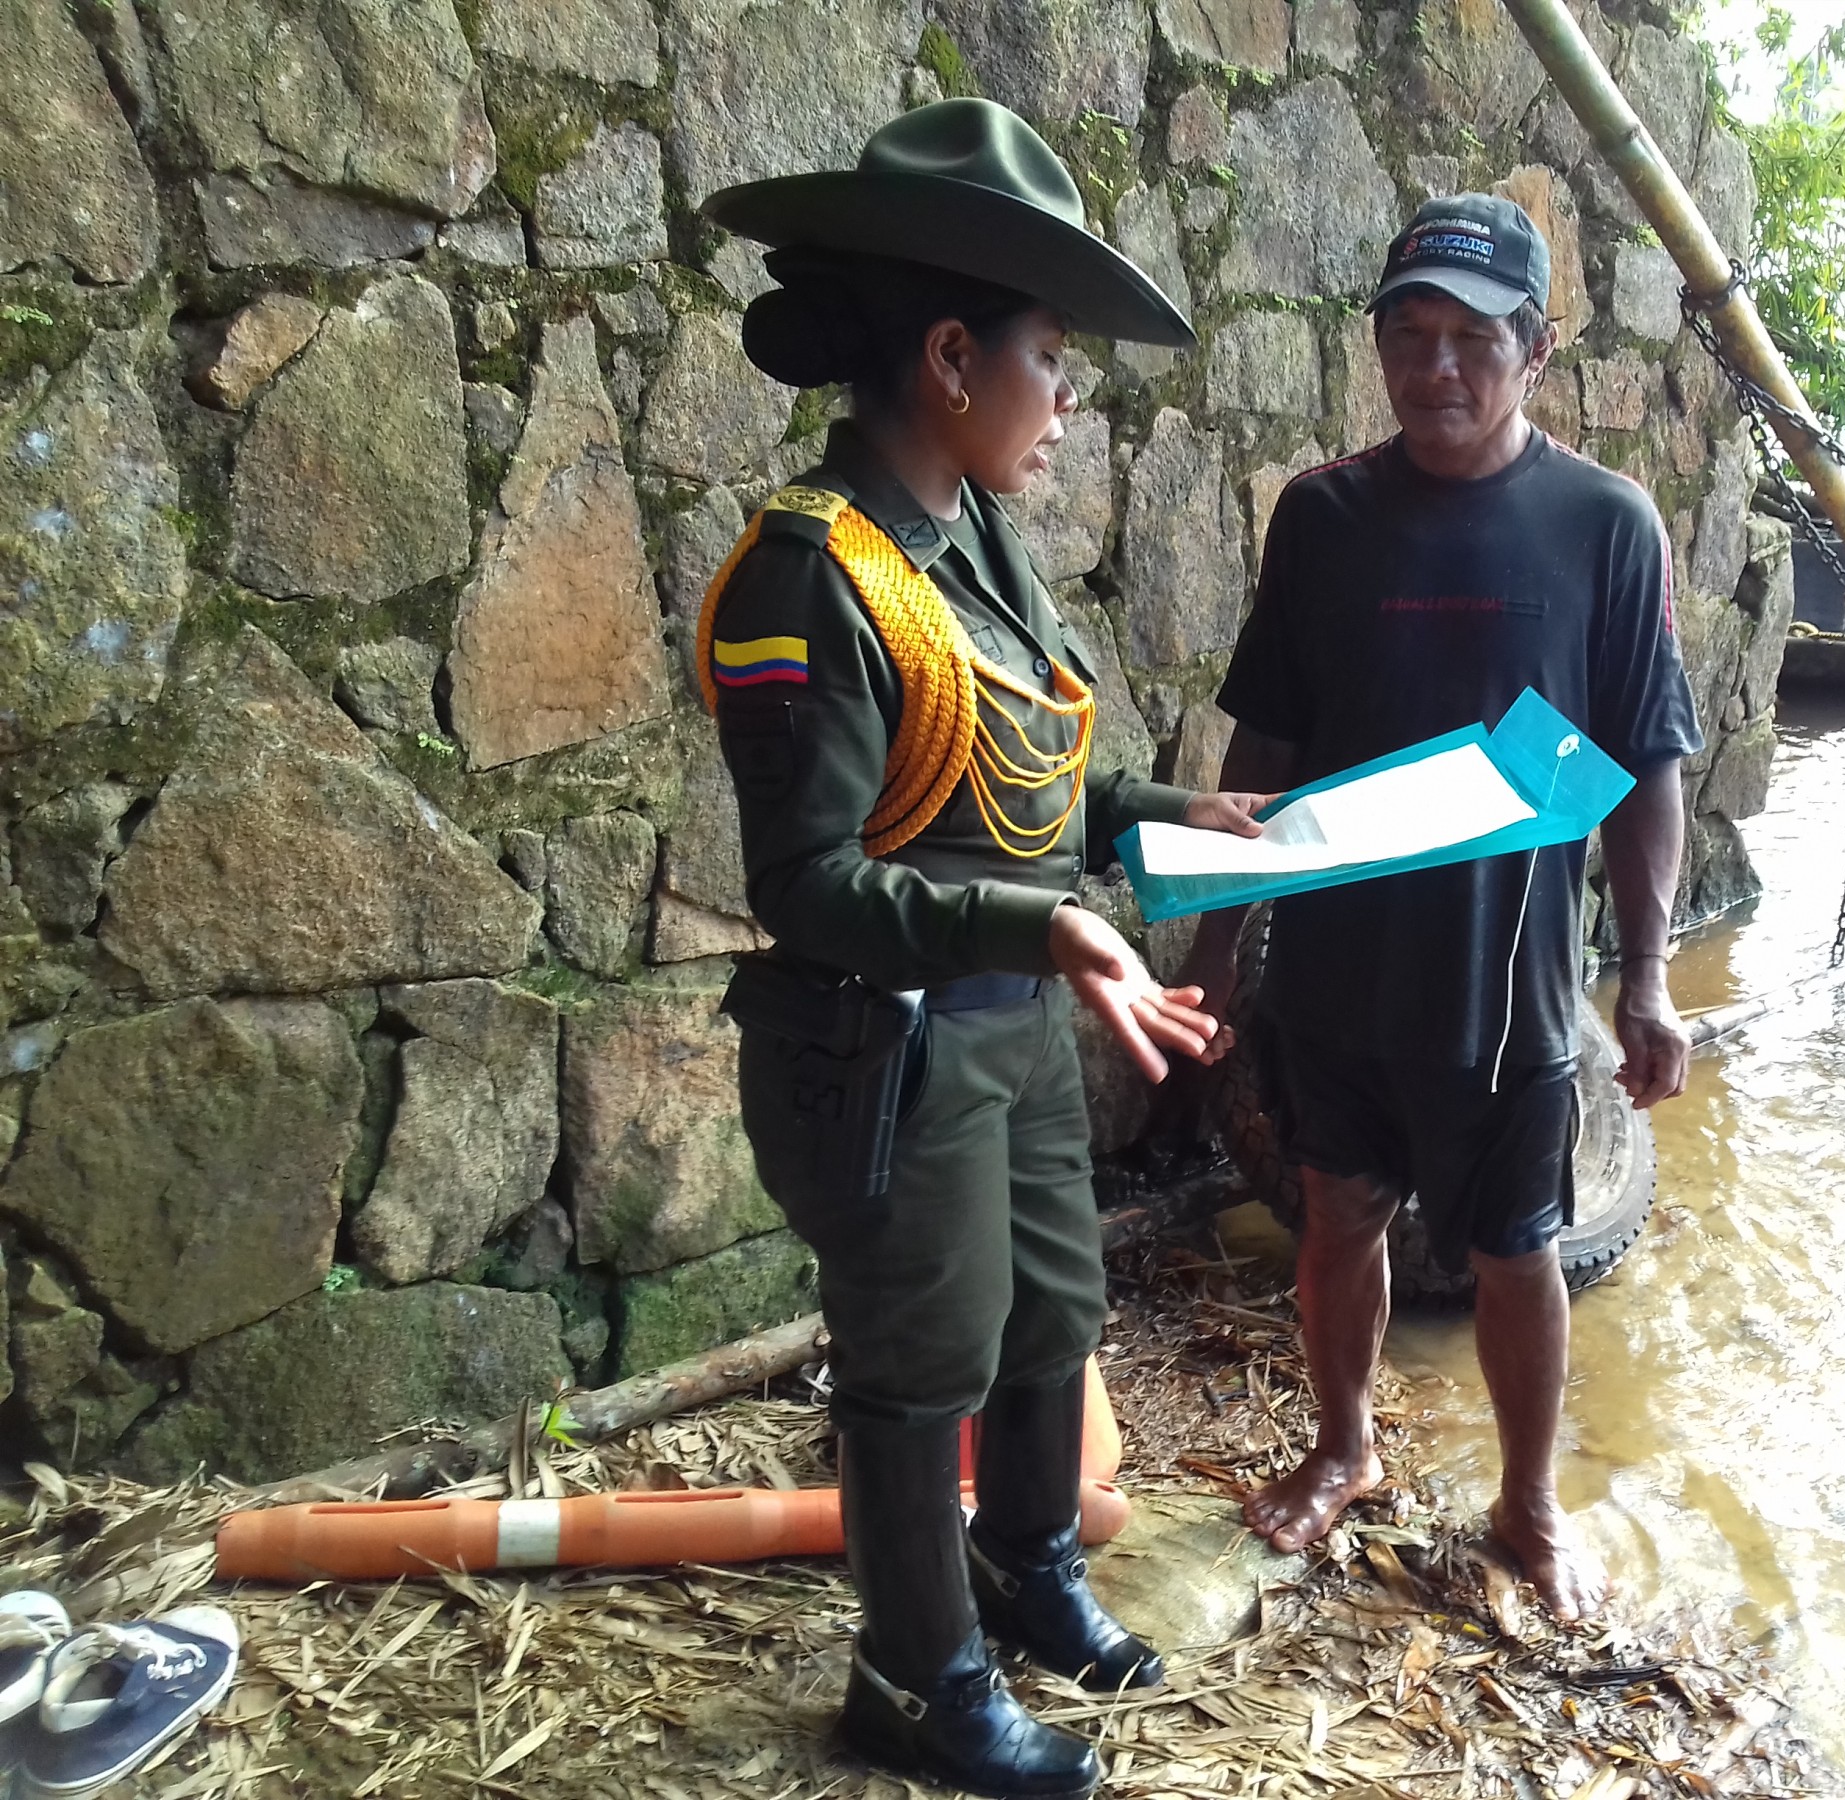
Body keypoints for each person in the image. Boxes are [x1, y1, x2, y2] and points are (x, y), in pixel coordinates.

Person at [698, 100, 1273, 1799]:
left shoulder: (980, 548)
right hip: (894, 1045)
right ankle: (915, 1674)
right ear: (951, 356)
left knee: (1051, 1316)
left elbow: (1027, 782)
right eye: (1051, 358)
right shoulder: (808, 577)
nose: (1068, 398)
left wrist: (1166, 811)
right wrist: (1050, 919)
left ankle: (1028, 1572)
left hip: (1016, 1017)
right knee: (920, 1359)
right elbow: (805, 881)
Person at [1181, 194, 1704, 1622]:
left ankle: (1529, 1509)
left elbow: (1650, 758)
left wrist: (1646, 979)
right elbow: (1266, 749)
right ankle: (1342, 1445)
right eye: (1408, 337)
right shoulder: (1325, 515)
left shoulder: (1606, 525)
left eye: (1473, 339)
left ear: (1535, 349)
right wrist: (1218, 945)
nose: (1437, 370)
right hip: (1338, 967)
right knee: (1336, 1212)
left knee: (1517, 1245)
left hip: (1512, 983)